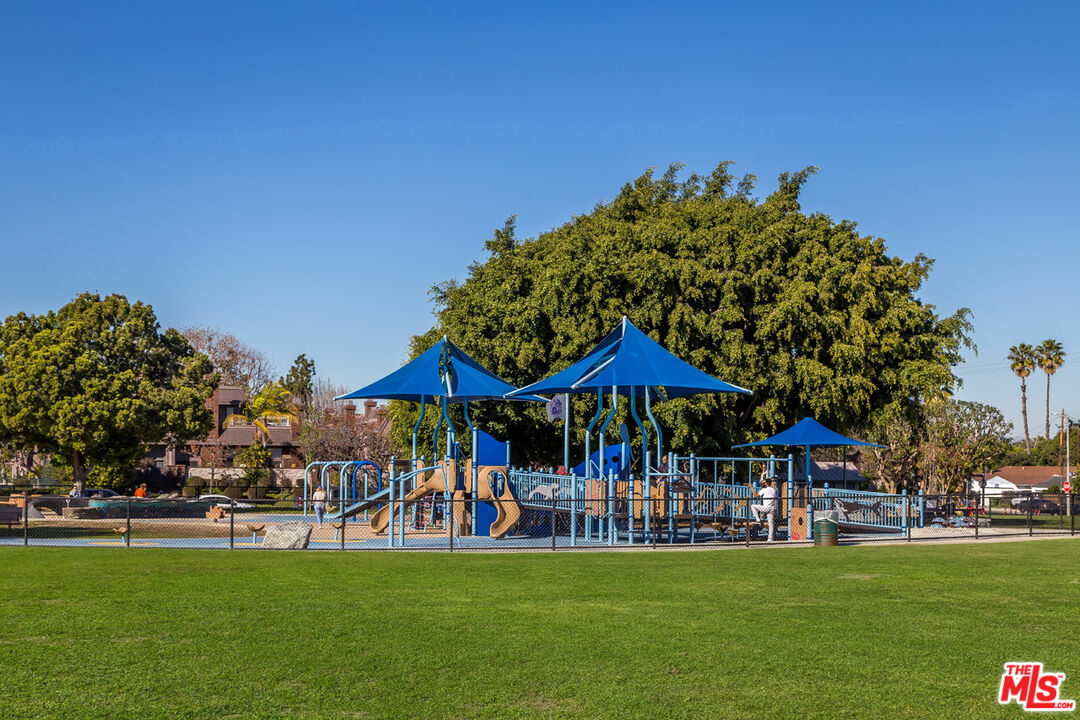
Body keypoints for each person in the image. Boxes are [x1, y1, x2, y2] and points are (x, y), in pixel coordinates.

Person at [750, 467, 778, 542]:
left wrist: (751, 488)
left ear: (766, 483)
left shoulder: (764, 489)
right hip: (771, 508)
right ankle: (770, 538)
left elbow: (755, 495)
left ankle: (758, 519)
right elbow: (775, 498)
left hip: (765, 508)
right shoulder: (773, 490)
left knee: (752, 506)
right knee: (771, 524)